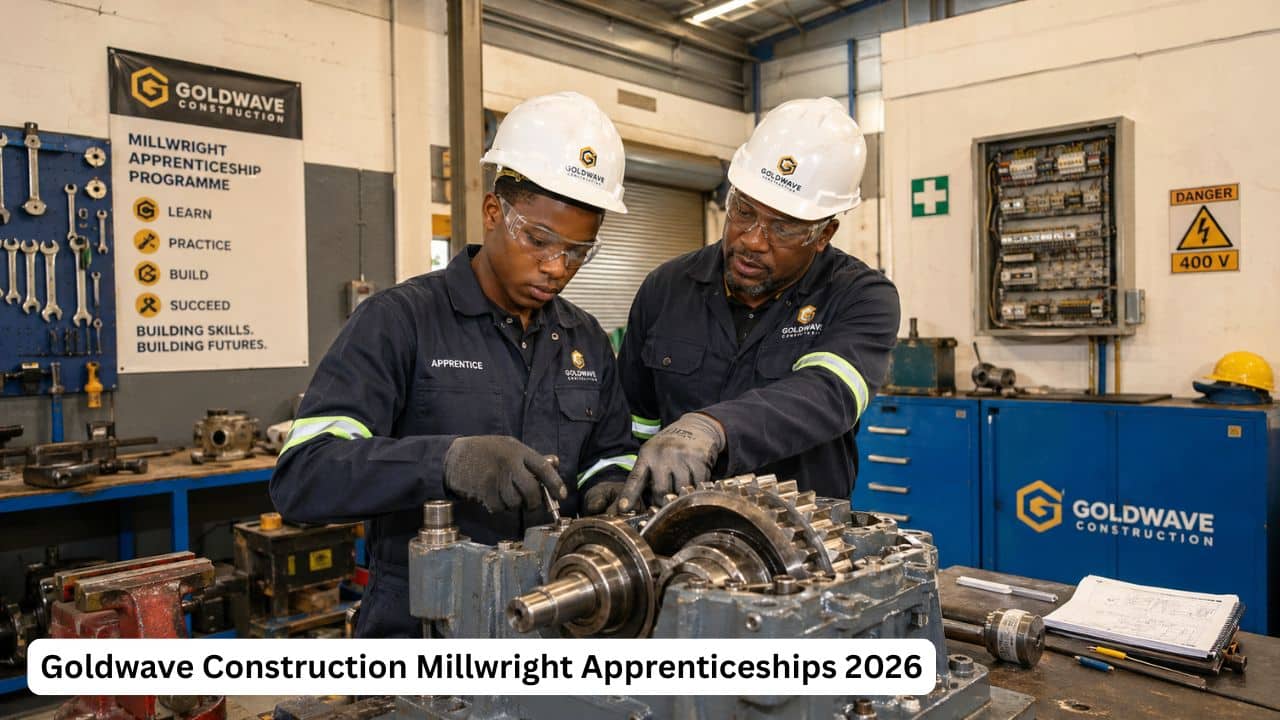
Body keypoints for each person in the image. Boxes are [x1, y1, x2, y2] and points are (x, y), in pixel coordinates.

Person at [270, 92, 638, 637]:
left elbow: (608, 454)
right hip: (422, 622)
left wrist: (610, 487)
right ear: (494, 213)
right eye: (539, 240)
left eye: (579, 252)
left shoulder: (584, 337)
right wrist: (446, 461)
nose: (557, 267)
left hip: (557, 612)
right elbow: (304, 477)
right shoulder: (399, 321)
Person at [601, 97, 900, 512]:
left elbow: (828, 394)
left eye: (783, 227)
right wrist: (617, 477)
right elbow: (634, 418)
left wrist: (715, 426)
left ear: (824, 233)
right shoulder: (666, 288)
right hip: (676, 528)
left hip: (799, 541)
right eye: (743, 211)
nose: (752, 240)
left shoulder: (861, 296)